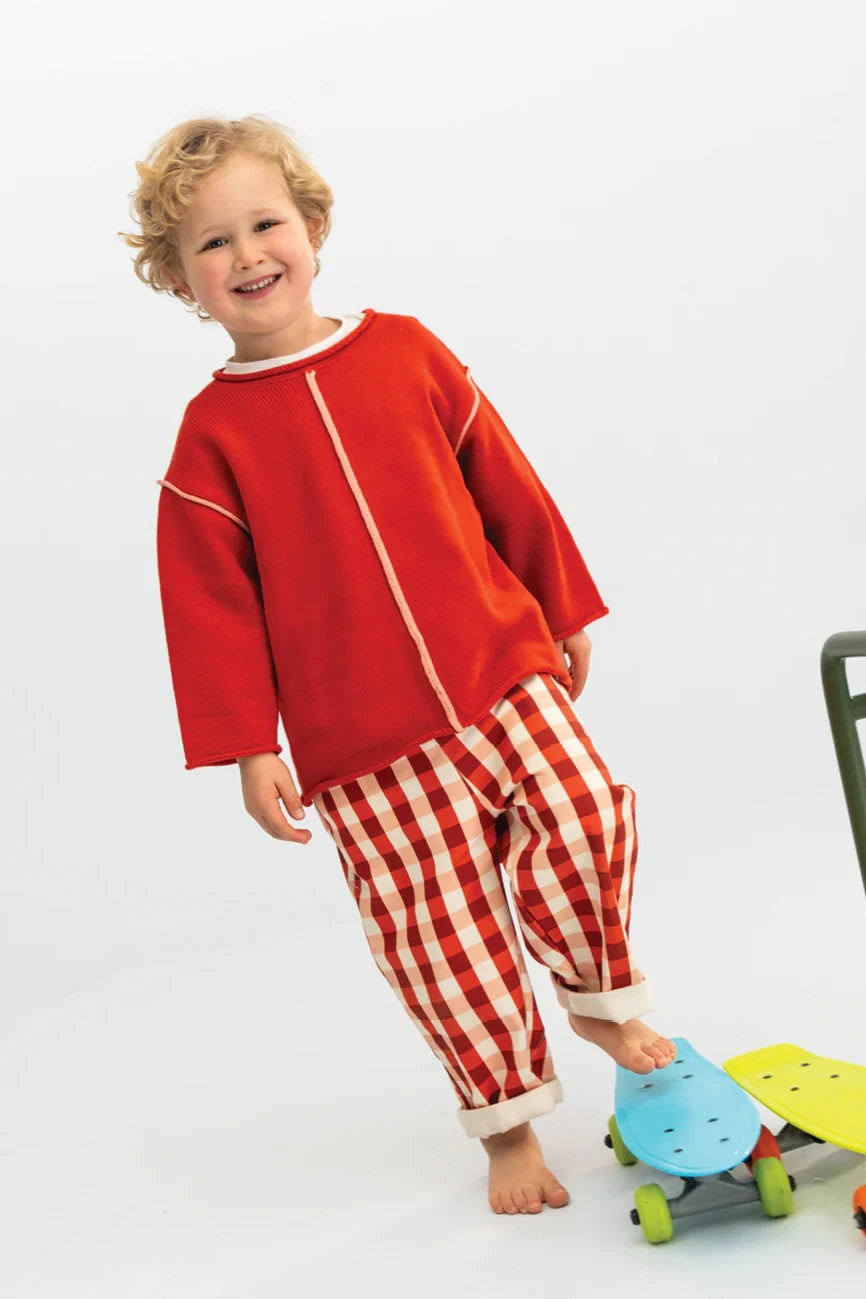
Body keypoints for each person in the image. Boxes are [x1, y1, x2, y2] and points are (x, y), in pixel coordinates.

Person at [121, 113, 677, 1217]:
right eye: (211, 245)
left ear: (314, 227)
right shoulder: (208, 443)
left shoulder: (407, 350)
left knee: (584, 812)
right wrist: (246, 748)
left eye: (264, 224)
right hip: (362, 744)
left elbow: (501, 481)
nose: (247, 256)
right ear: (180, 281)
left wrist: (559, 601)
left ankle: (596, 995)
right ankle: (507, 1124)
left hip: (500, 665)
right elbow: (210, 611)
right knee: (443, 939)